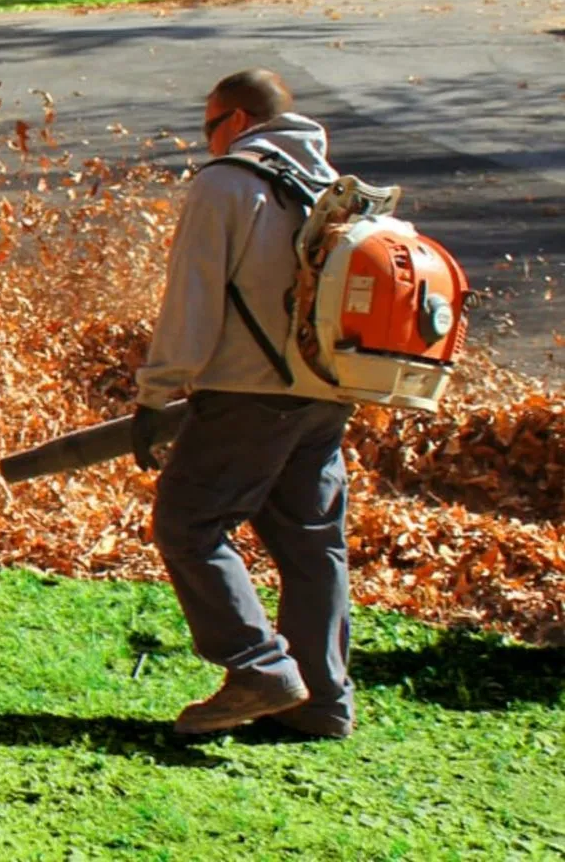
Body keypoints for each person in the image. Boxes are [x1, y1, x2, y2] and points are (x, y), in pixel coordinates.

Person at [131, 68, 355, 739]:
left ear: (235, 121)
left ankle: (259, 668)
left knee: (188, 524)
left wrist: (157, 392)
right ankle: (321, 704)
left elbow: (193, 298)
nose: (207, 141)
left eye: (208, 126)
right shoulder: (331, 187)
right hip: (328, 395)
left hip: (250, 395)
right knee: (313, 546)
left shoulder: (229, 182)